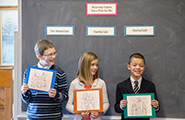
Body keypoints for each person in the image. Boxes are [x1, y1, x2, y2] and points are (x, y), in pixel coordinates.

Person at [21, 39, 68, 120]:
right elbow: (27, 99)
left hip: (53, 117)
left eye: (54, 53)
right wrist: (24, 92)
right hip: (33, 117)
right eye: (50, 54)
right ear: (40, 56)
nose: (53, 56)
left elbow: (65, 96)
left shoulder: (59, 73)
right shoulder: (29, 73)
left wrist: (56, 94)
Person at [114, 53, 160, 120]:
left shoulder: (150, 86)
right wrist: (121, 106)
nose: (138, 67)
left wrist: (156, 106)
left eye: (141, 66)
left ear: (144, 67)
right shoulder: (121, 86)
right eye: (134, 65)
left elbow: (156, 109)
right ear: (129, 67)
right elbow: (116, 108)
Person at [66, 52, 109, 120]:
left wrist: (99, 113)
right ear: (84, 66)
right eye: (92, 65)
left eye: (96, 65)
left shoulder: (101, 83)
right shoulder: (75, 83)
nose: (95, 67)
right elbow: (68, 105)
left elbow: (105, 103)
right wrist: (79, 112)